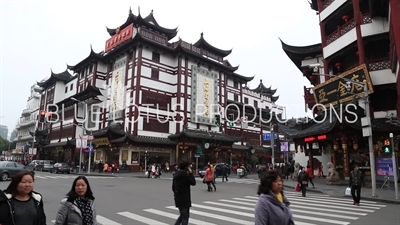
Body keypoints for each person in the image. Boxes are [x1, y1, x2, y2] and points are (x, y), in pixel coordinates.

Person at [172, 161, 196, 225]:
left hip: (178, 198)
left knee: (182, 215)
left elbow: (173, 187)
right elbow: (193, 182)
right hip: (185, 199)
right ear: (186, 168)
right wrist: (191, 173)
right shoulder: (185, 175)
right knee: (185, 217)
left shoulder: (176, 175)